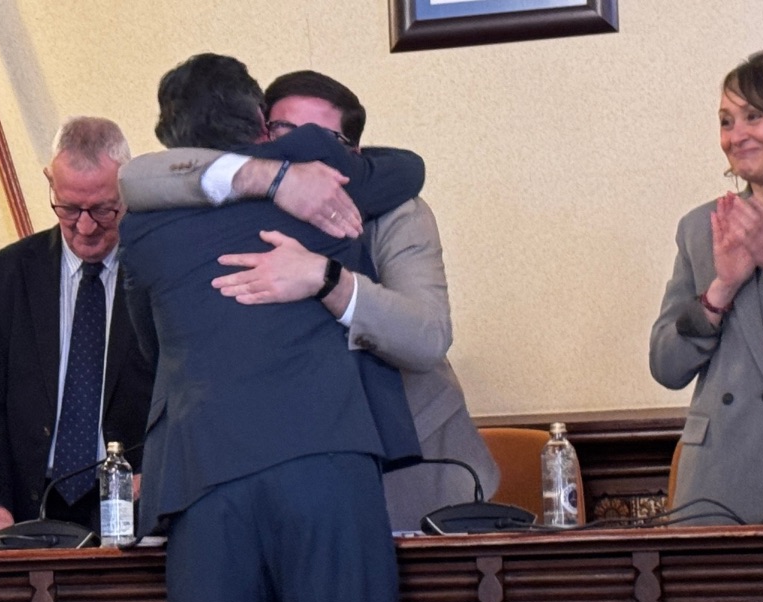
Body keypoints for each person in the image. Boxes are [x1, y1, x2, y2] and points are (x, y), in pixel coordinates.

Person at [119, 53, 424, 602]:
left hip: (204, 478)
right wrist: (286, 178)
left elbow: (148, 345)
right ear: (261, 119)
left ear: (170, 137)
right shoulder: (317, 169)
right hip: (324, 463)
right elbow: (407, 169)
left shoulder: (143, 224)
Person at [119, 69, 499, 530]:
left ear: (353, 153)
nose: (295, 151)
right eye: (279, 132)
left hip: (420, 470)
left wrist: (328, 280)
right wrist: (274, 178)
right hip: (282, 466)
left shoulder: (397, 210)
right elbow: (137, 176)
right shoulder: (237, 195)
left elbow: (426, 337)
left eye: (317, 138)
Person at [0, 116, 153, 545]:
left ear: (128, 191)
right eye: (68, 208)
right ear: (51, 183)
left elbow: (183, 393)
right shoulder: (6, 276)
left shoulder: (158, 275)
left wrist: (157, 474)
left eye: (103, 209)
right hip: (28, 510)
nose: (85, 226)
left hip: (134, 511)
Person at [650, 48, 763, 525]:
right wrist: (723, 285)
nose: (735, 135)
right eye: (726, 121)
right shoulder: (700, 227)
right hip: (716, 483)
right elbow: (666, 366)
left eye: (753, 117)